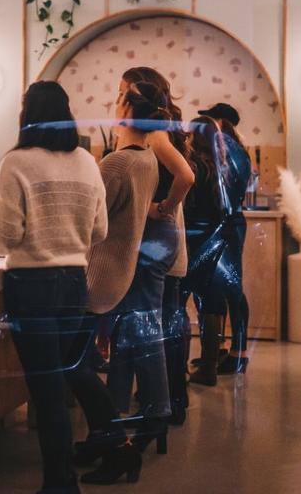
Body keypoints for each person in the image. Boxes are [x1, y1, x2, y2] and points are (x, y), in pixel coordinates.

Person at [0, 81, 108, 494]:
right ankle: (82, 464)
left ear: (27, 115)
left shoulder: (16, 162)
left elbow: (5, 235)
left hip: (31, 284)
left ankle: (60, 482)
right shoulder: (87, 162)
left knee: (46, 389)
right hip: (74, 282)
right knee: (66, 378)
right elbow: (100, 229)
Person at [69, 79, 167, 485]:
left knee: (72, 365)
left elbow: (88, 221)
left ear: (126, 111)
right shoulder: (147, 159)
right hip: (119, 273)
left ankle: (118, 448)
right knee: (83, 361)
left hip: (98, 274)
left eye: (118, 98)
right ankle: (100, 437)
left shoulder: (116, 163)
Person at [110, 68, 194, 429]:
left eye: (120, 92)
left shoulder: (153, 134)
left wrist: (163, 208)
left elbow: (186, 176)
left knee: (143, 324)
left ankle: (156, 408)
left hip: (153, 237)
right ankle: (118, 408)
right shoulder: (145, 134)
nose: (115, 99)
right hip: (151, 236)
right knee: (135, 324)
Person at [191, 103, 252, 377]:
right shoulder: (235, 152)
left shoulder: (224, 154)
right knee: (224, 288)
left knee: (226, 290)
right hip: (232, 224)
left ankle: (233, 354)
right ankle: (222, 352)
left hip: (223, 225)